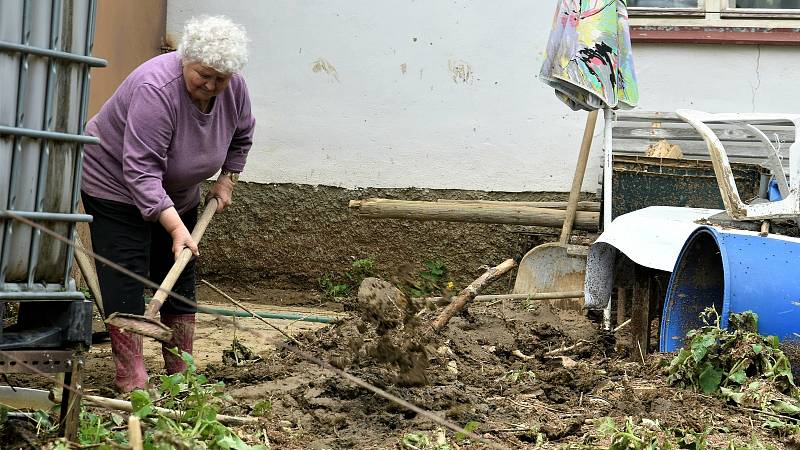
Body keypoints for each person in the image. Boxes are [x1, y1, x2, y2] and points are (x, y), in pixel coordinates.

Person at [81, 15, 255, 393]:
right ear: (184, 59)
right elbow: (141, 171)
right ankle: (132, 375)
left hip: (178, 192)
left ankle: (181, 368)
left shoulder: (234, 88)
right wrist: (176, 228)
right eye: (203, 75)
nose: (210, 86)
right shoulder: (156, 88)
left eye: (219, 79)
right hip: (115, 183)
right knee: (125, 272)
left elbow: (242, 137)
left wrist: (228, 178)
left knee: (178, 269)